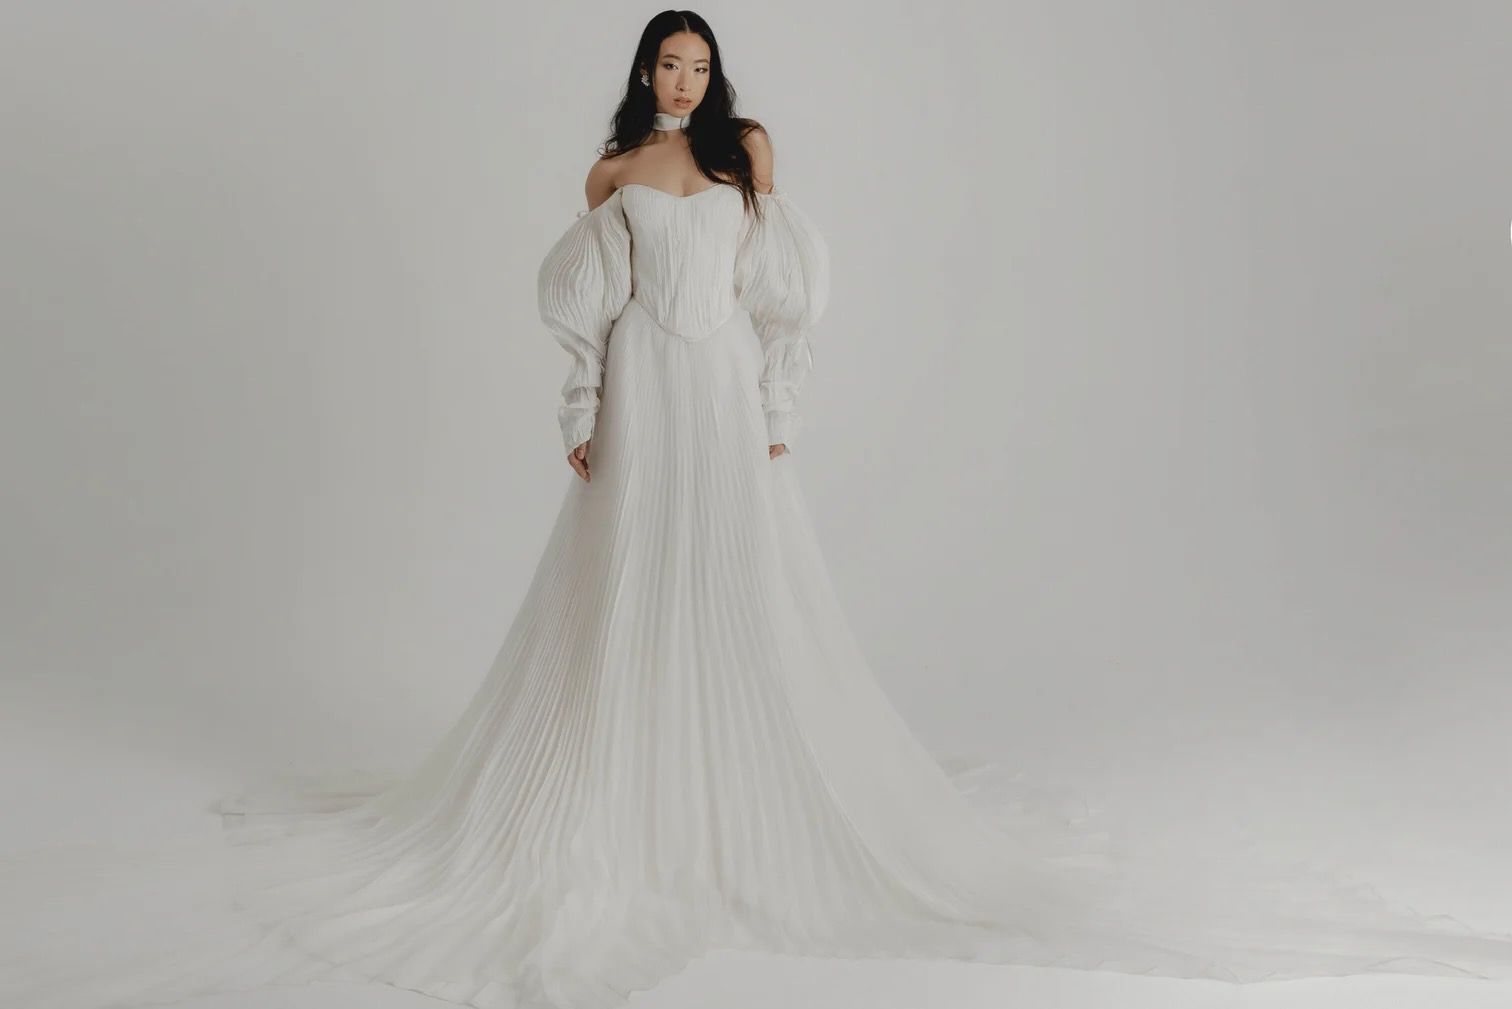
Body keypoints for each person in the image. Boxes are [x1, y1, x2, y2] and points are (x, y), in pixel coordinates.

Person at [4, 12, 1512, 1009]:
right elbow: (582, 310)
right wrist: (581, 419)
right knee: (619, 585)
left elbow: (787, 295)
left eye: (699, 61)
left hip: (721, 393)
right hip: (642, 401)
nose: (683, 79)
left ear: (716, 77)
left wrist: (780, 406)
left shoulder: (746, 156)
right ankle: (612, 802)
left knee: (735, 582)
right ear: (642, 73)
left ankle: (740, 789)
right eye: (667, 61)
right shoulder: (610, 171)